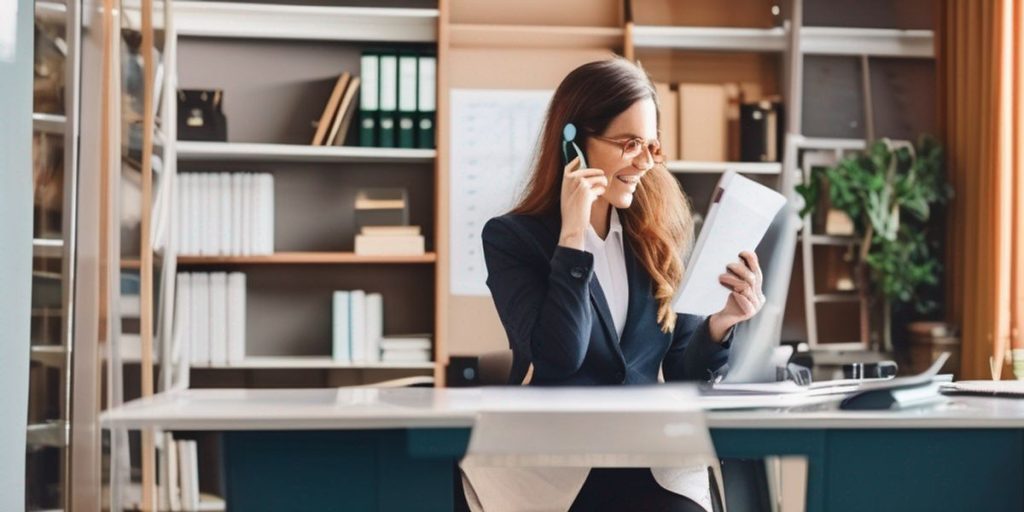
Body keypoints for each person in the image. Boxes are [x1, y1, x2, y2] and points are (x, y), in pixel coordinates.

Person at [478, 57, 766, 511]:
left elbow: (684, 371)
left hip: (648, 456)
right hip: (559, 466)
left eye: (651, 146)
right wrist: (573, 238)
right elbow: (558, 359)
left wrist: (723, 322)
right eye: (629, 144)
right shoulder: (512, 239)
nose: (644, 163)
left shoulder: (659, 236)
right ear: (573, 140)